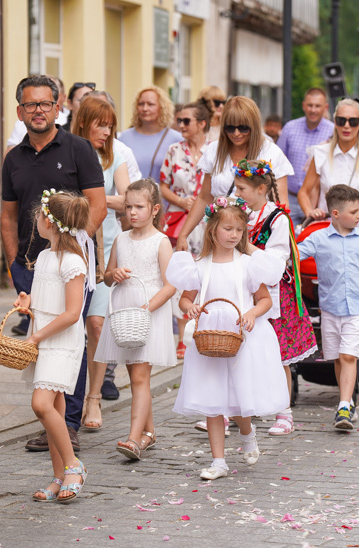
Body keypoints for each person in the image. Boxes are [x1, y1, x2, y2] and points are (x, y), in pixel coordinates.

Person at [1, 75, 107, 453]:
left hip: (73, 263)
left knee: (68, 339)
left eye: (45, 104)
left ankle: (69, 424)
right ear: (20, 111)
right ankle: (53, 422)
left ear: (58, 107)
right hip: (31, 264)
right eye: (31, 105)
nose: (39, 111)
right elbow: (9, 217)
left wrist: (71, 245)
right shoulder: (13, 158)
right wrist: (15, 263)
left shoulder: (78, 149)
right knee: (44, 343)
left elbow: (98, 206)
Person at [167, 197, 287, 479]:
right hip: (210, 339)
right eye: (228, 229)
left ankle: (247, 433)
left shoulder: (247, 265)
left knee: (239, 396)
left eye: (239, 230)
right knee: (213, 399)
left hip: (240, 337)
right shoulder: (199, 266)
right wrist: (191, 308)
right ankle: (219, 461)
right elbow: (184, 300)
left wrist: (251, 313)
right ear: (213, 231)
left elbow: (265, 301)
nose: (234, 235)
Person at [296, 98, 359, 334]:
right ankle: (330, 345)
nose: (347, 126)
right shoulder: (320, 153)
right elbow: (304, 191)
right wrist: (311, 210)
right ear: (334, 122)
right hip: (329, 230)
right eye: (342, 120)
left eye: (353, 121)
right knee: (330, 290)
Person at [297, 185, 359, 430]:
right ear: (336, 214)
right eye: (355, 211)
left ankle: (342, 409)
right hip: (330, 306)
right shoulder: (318, 238)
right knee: (339, 358)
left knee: (349, 355)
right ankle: (347, 401)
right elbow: (295, 254)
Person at [16, 190, 90, 503]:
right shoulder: (45, 256)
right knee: (55, 409)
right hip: (44, 336)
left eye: (39, 214)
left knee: (41, 404)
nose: (36, 218)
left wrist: (36, 336)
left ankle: (74, 466)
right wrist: (28, 303)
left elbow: (73, 313)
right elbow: (49, 300)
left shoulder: (73, 261)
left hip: (60, 341)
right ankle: (58, 475)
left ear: (49, 221)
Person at [234, 159, 316, 436]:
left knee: (277, 356)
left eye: (241, 188)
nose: (237, 193)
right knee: (240, 353)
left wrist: (245, 246)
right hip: (241, 291)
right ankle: (237, 409)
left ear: (261, 189)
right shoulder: (236, 213)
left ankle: (285, 412)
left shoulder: (277, 219)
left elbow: (277, 262)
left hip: (273, 296)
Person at [96, 180, 177, 458]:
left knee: (141, 376)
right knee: (135, 376)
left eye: (139, 207)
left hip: (148, 312)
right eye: (128, 206)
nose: (132, 212)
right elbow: (106, 277)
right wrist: (114, 274)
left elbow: (170, 285)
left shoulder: (161, 241)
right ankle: (149, 433)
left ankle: (132, 438)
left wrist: (147, 307)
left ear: (154, 209)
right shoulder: (121, 239)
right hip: (124, 313)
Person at [71, 97, 131, 431]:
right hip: (70, 250)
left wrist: (92, 197)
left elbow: (125, 199)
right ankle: (66, 397)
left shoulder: (114, 156)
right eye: (100, 124)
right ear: (83, 122)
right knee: (68, 326)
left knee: (96, 325)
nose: (106, 132)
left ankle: (93, 398)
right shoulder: (67, 151)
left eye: (110, 125)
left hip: (104, 252)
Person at [176, 96, 293, 255]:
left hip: (256, 237)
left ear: (254, 125)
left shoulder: (271, 153)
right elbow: (204, 197)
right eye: (230, 128)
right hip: (219, 236)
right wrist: (184, 233)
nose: (236, 133)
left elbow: (281, 205)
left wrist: (275, 246)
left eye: (243, 128)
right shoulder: (215, 150)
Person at [160, 101, 211, 359]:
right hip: (180, 220)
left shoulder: (214, 150)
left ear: (202, 123)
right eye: (179, 120)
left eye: (186, 121)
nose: (181, 126)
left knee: (206, 273)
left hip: (210, 222)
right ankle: (182, 338)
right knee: (181, 275)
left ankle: (205, 330)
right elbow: (163, 185)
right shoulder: (173, 150)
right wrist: (181, 201)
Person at [276, 87, 334, 223]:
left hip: (318, 203)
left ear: (325, 107)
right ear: (303, 106)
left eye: (317, 106)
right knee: (286, 240)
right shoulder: (290, 128)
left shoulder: (332, 131)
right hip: (289, 198)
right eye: (310, 105)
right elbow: (276, 161)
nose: (313, 110)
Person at [118, 86, 183, 181]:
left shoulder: (176, 139)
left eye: (150, 104)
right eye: (141, 104)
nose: (145, 108)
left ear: (162, 107)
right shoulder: (124, 137)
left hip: (162, 195)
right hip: (129, 194)